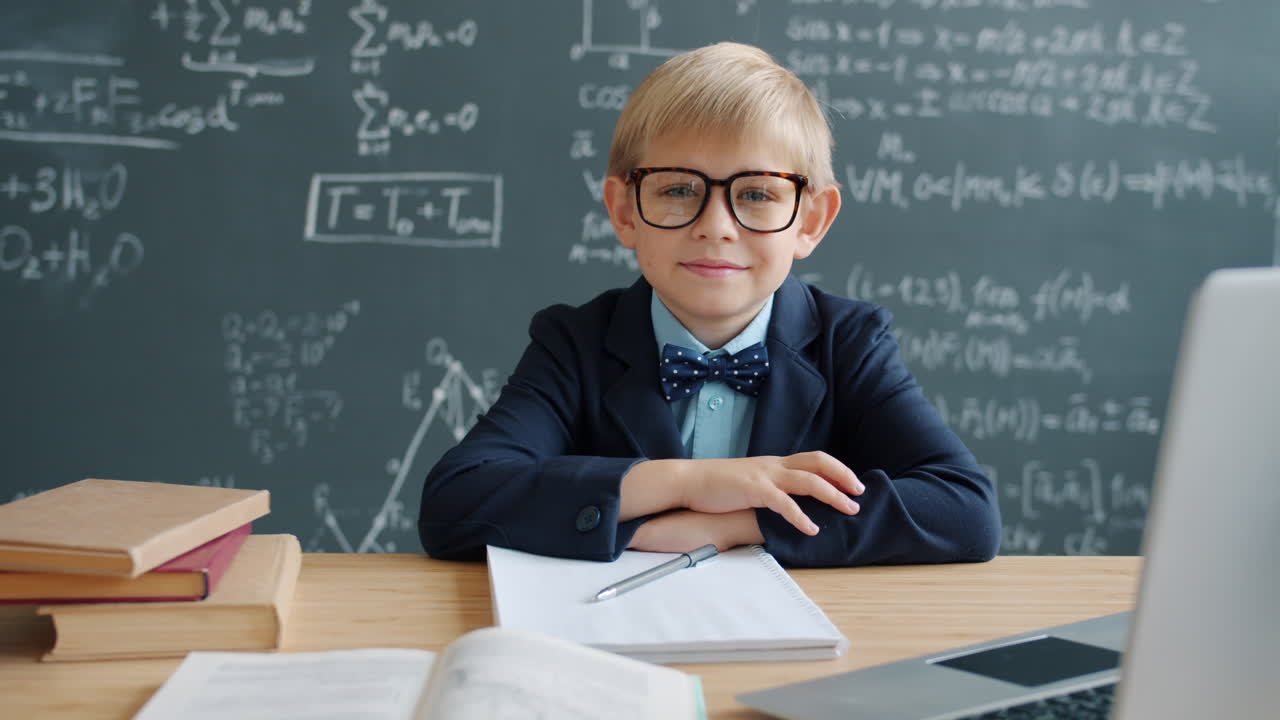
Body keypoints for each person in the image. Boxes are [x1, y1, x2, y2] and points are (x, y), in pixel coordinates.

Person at [419, 42, 1000, 567]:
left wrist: (735, 525)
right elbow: (457, 501)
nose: (716, 227)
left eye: (756, 193)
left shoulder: (848, 341)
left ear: (810, 220)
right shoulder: (575, 343)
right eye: (677, 189)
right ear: (624, 211)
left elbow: (964, 510)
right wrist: (688, 482)